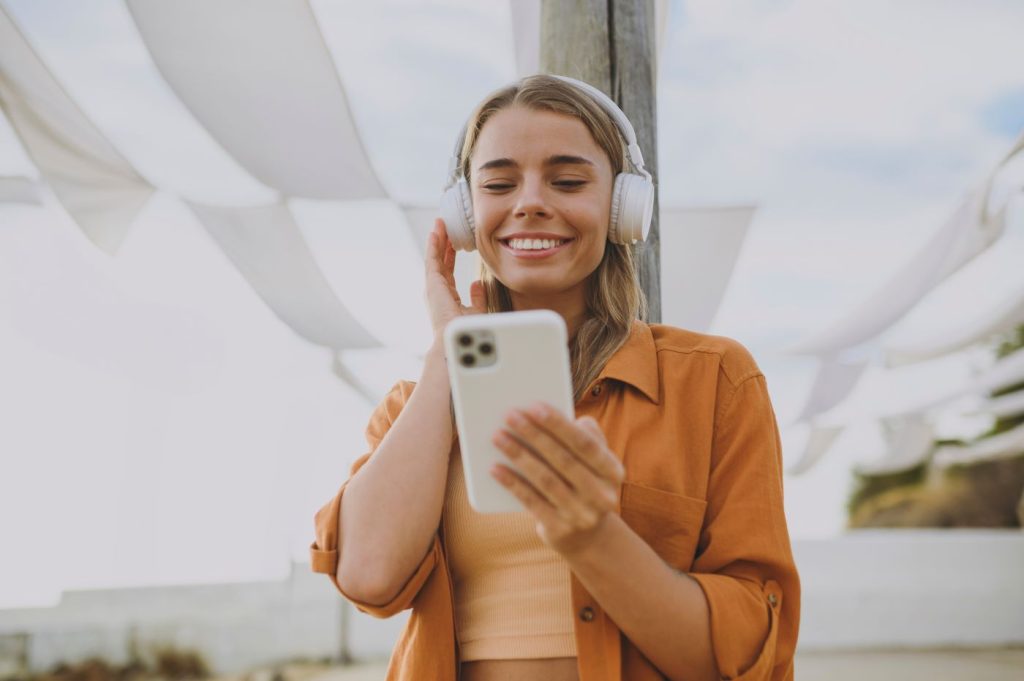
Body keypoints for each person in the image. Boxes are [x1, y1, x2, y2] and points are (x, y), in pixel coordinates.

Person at [310, 74, 800, 681]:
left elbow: (749, 651)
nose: (530, 202)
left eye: (568, 181)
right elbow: (368, 576)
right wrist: (449, 352)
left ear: (623, 208)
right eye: (497, 184)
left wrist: (593, 537)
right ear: (464, 216)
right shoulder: (417, 406)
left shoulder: (716, 382)